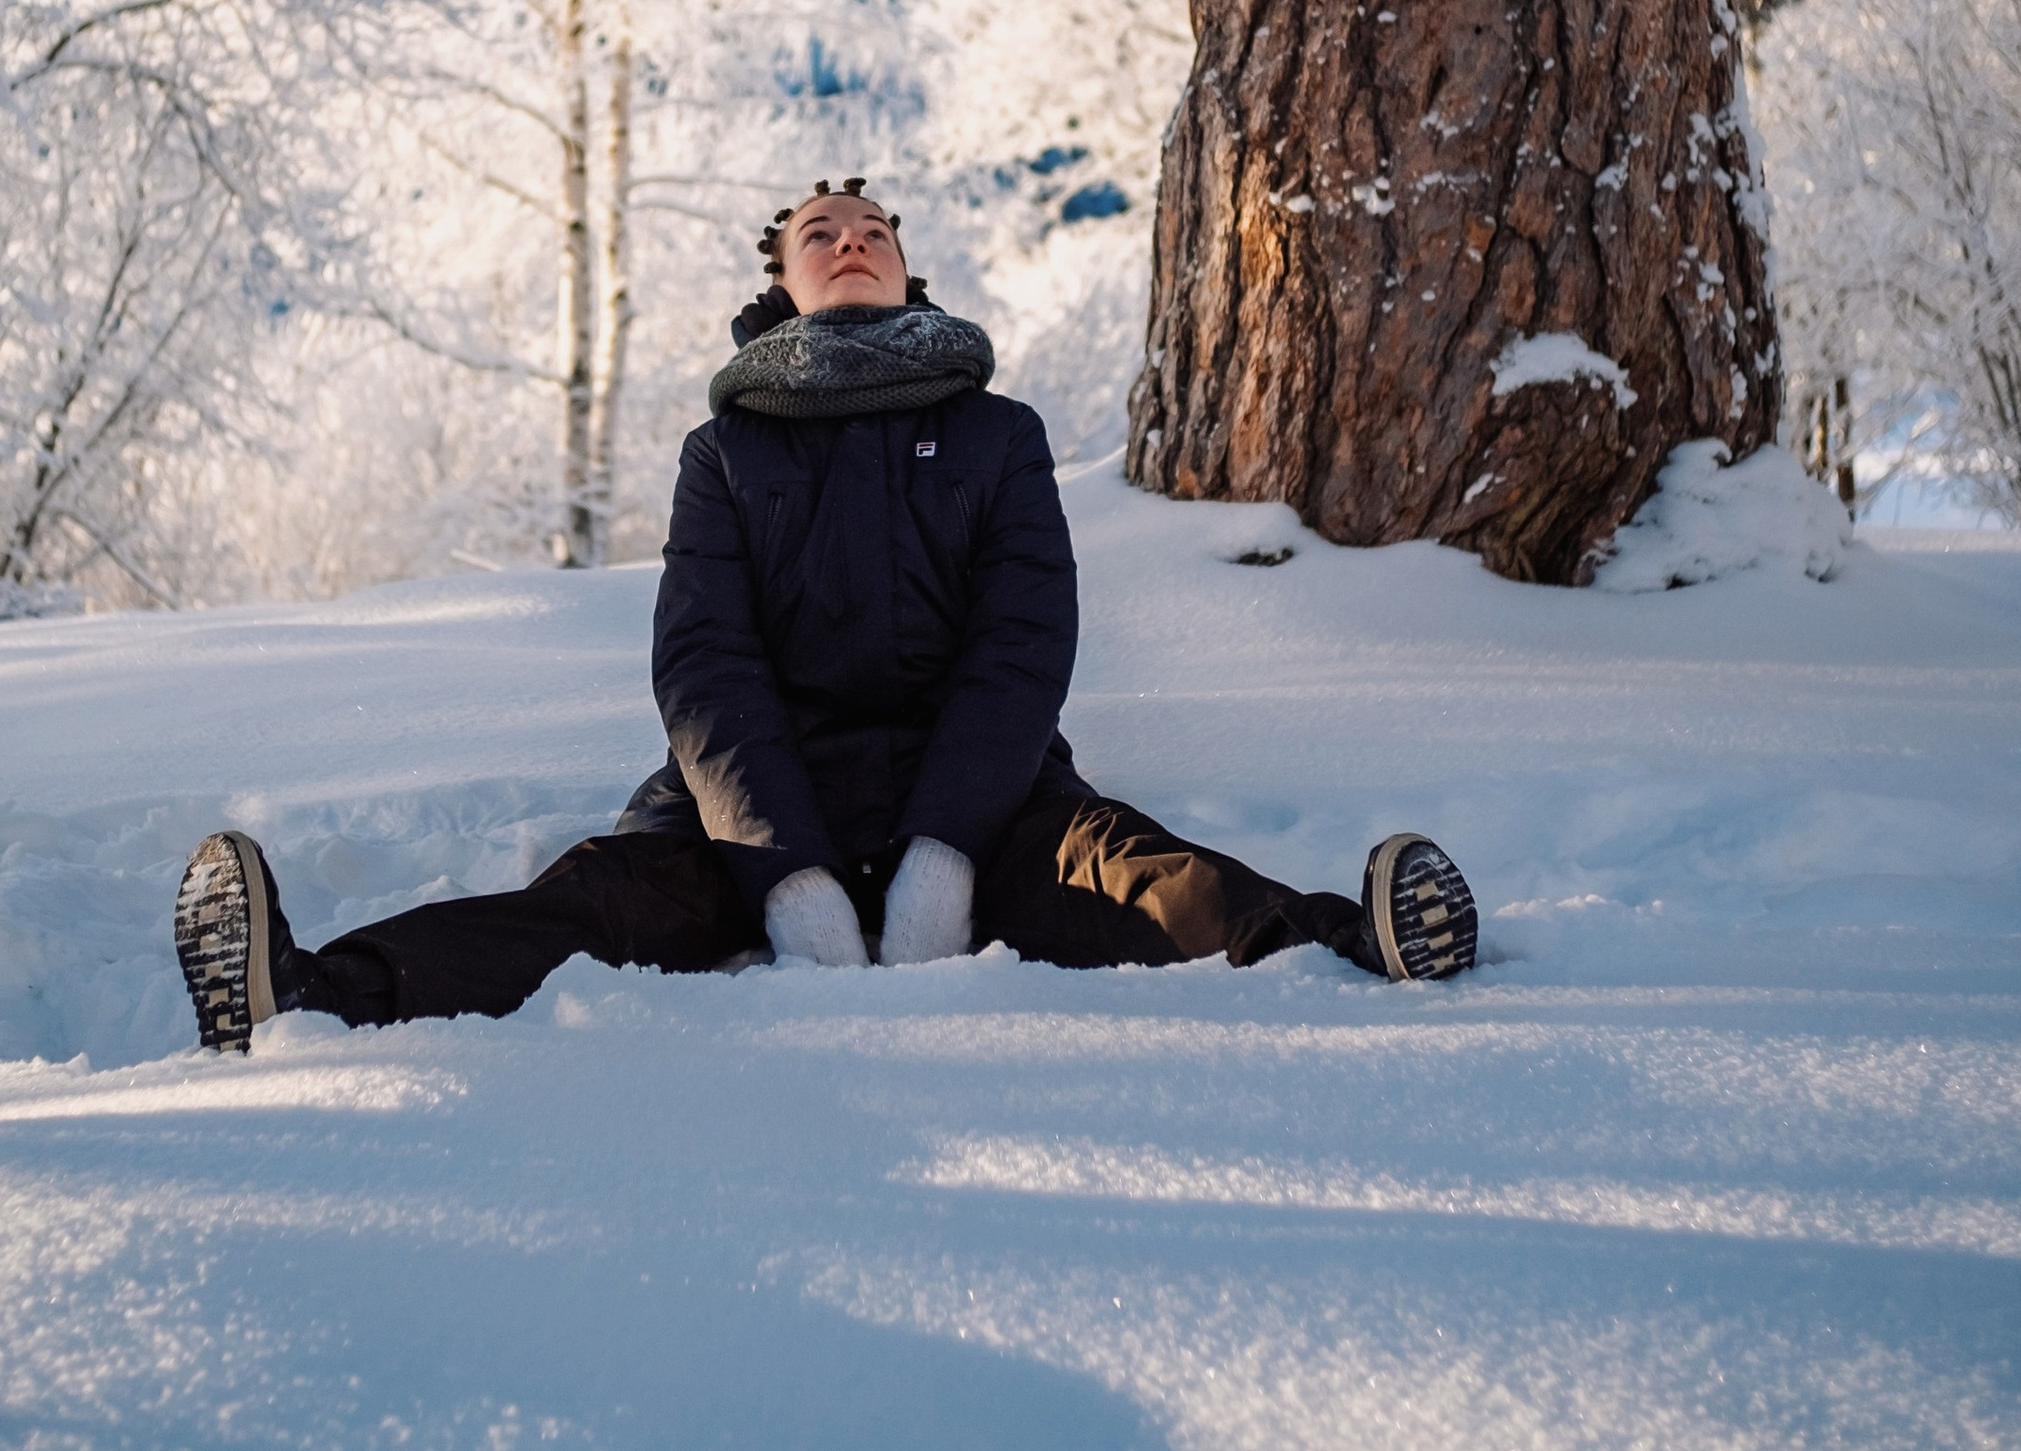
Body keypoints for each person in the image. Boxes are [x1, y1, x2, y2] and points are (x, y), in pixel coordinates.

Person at [173, 178, 1478, 1050]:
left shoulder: (998, 434)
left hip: (986, 792)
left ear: (906, 274)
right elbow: (704, 664)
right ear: (785, 286)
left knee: (1130, 874)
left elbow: (1022, 643)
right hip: (746, 805)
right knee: (593, 903)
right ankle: (312, 993)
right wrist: (784, 870)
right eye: (820, 234)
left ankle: (1361, 938)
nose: (849, 241)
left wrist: (947, 851)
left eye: (871, 232)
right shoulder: (725, 452)